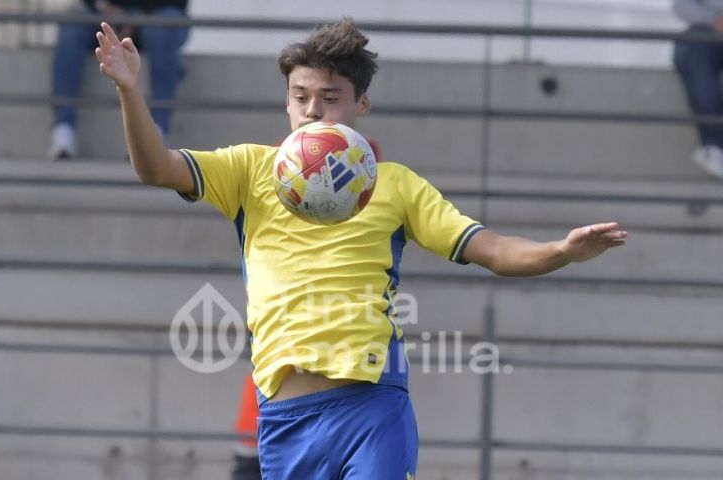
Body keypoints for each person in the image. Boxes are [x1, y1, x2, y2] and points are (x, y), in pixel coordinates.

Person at [94, 18, 628, 479]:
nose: (312, 111)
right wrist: (129, 90)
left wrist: (560, 251)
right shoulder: (248, 169)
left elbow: (490, 249)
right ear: (286, 100)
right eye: (301, 97)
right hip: (284, 419)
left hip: (371, 407)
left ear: (361, 104)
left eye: (330, 98)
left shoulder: (395, 184)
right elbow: (156, 168)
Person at [49, 0, 190, 159]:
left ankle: (155, 135)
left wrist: (135, 16)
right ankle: (63, 130)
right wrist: (101, 6)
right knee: (71, 26)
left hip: (157, 12)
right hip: (105, 13)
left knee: (163, 29)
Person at [673, 0, 723, 179]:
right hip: (707, 30)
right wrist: (713, 20)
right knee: (692, 52)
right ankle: (715, 148)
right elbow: (682, 6)